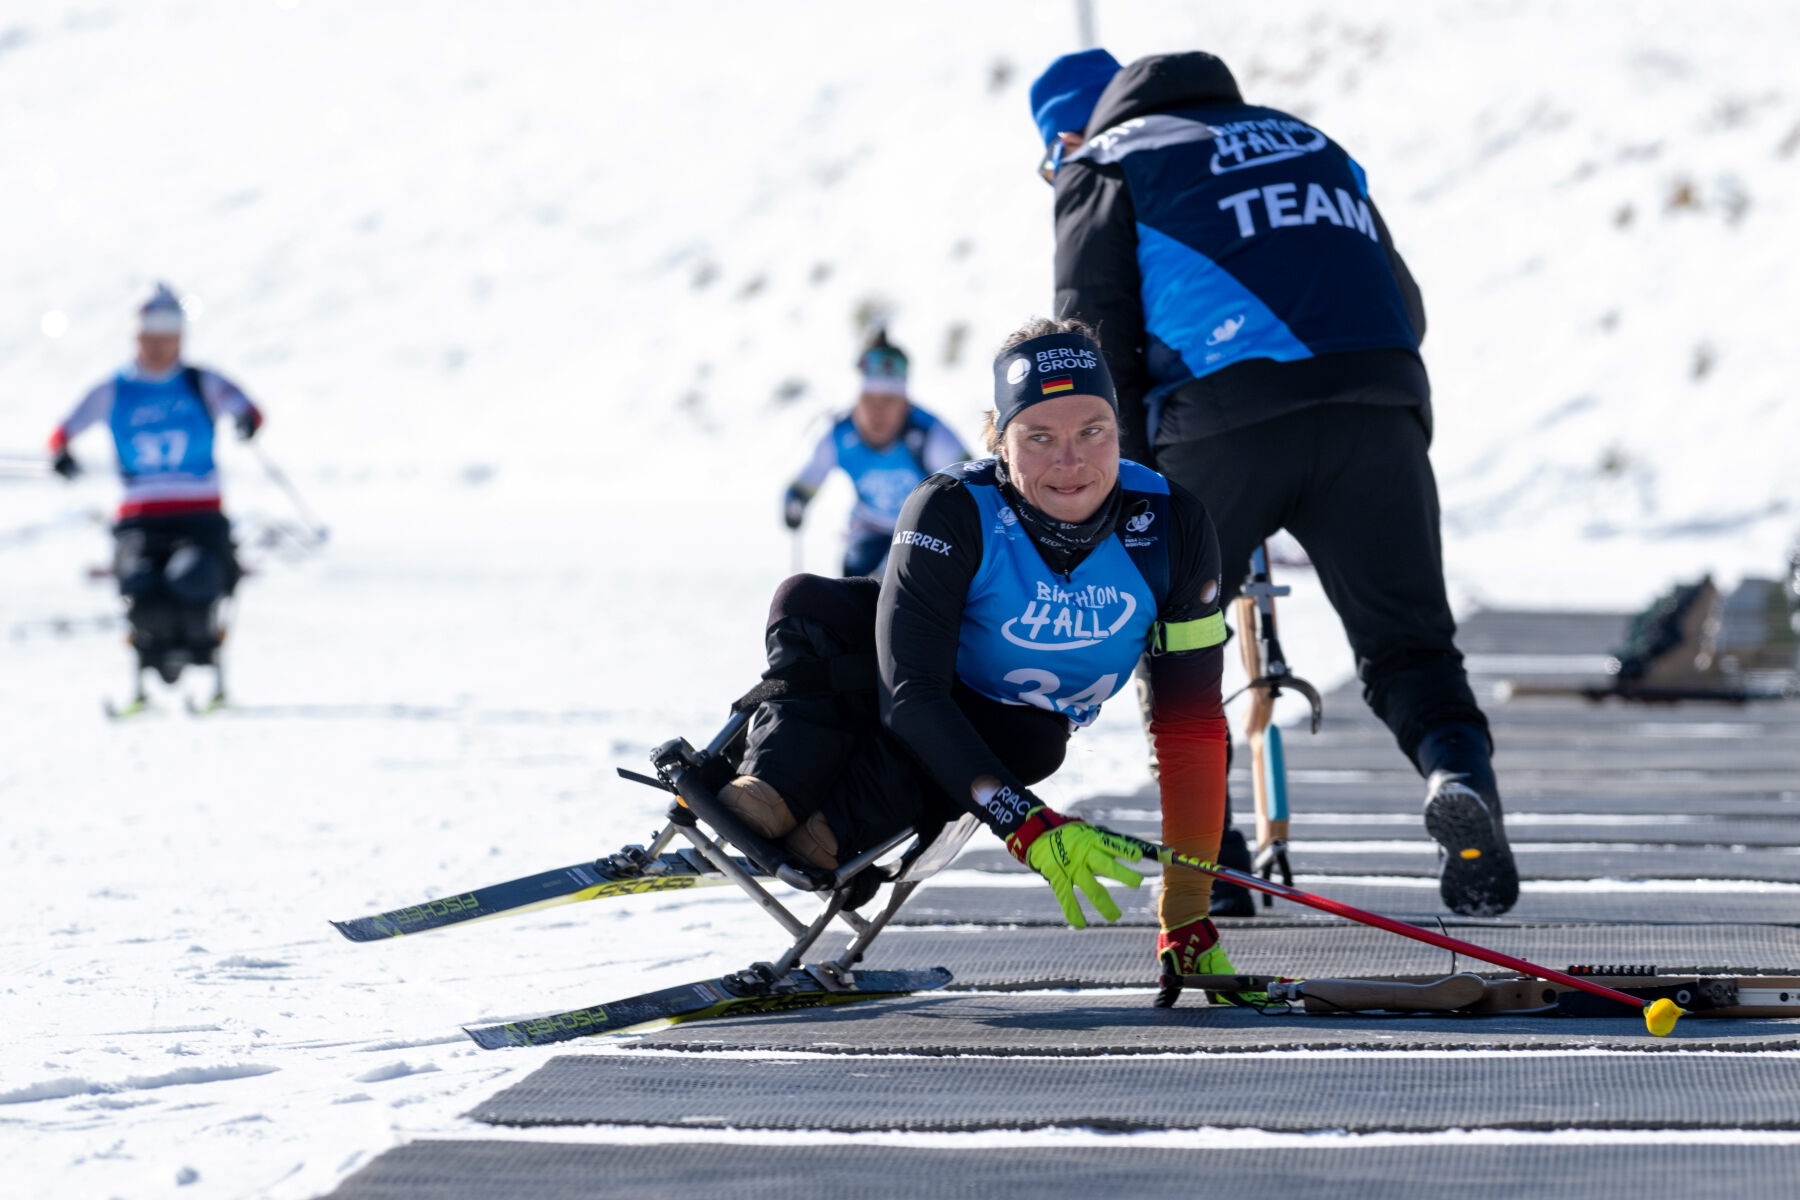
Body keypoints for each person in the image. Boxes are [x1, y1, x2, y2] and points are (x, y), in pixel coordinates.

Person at [1030, 49, 1518, 917]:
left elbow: (1097, 350)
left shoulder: (1104, 162)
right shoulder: (1310, 141)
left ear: (1069, 133)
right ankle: (1457, 773)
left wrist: (1129, 507)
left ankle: (1211, 860)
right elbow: (1404, 302)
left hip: (1224, 420)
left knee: (1178, 645)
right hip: (1379, 402)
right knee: (1409, 645)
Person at [724, 317, 1240, 1008]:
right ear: (999, 442)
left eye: (1093, 431)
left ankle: (829, 835)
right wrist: (1024, 823)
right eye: (1039, 438)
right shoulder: (953, 506)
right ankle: (772, 783)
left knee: (1027, 739)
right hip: (895, 685)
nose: (1071, 463)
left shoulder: (1173, 527)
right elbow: (909, 691)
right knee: (810, 604)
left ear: (1120, 429)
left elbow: (1192, 731)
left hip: (999, 732)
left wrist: (1187, 910)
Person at [49, 282, 264, 695]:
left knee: (196, 578)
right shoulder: (116, 388)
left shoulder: (201, 382)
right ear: (137, 338)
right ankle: (149, 662)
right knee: (142, 588)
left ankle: (204, 653)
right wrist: (62, 453)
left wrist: (246, 421)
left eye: (167, 339)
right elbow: (64, 429)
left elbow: (247, 407)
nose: (159, 348)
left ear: (180, 339)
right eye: (151, 338)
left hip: (200, 516)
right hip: (140, 520)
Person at [782, 331, 970, 577]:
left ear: (905, 402)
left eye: (888, 400)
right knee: (855, 594)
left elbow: (972, 482)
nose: (877, 411)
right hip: (868, 530)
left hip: (922, 530)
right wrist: (796, 498)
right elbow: (809, 476)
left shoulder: (930, 434)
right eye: (868, 400)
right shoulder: (838, 433)